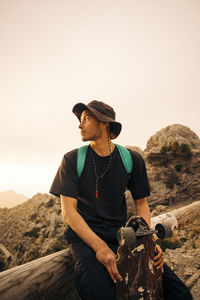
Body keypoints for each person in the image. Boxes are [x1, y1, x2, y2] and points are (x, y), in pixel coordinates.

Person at [49, 100, 192, 300]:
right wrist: (100, 248)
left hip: (123, 234)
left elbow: (141, 204)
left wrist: (148, 241)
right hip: (85, 239)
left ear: (104, 123)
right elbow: (68, 212)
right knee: (99, 292)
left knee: (180, 294)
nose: (79, 125)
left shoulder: (131, 160)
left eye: (86, 119)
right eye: (80, 120)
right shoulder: (72, 160)